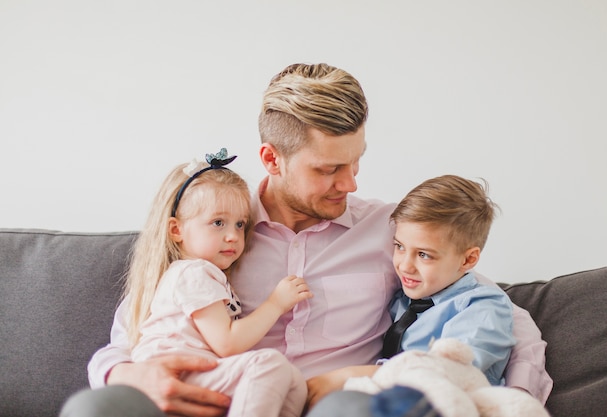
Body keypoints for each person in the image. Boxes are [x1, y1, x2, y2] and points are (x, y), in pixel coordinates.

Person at [61, 63, 552, 417]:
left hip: (330, 404)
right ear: (272, 159)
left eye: (356, 161)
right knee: (95, 407)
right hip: (213, 397)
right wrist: (123, 374)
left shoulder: (388, 232)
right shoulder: (214, 229)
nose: (351, 183)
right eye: (329, 169)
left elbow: (493, 307)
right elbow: (131, 331)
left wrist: (517, 398)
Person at [73, 149, 312, 417]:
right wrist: (276, 303)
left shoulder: (204, 274)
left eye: (240, 225)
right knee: (271, 365)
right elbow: (227, 344)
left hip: (198, 373)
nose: (233, 236)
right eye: (218, 223)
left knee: (294, 381)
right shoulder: (194, 273)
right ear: (176, 230)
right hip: (175, 374)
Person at [342, 174, 516, 395]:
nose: (405, 266)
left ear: (468, 259)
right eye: (399, 246)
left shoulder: (483, 307)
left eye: (424, 255)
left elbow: (446, 371)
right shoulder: (402, 298)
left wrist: (355, 375)